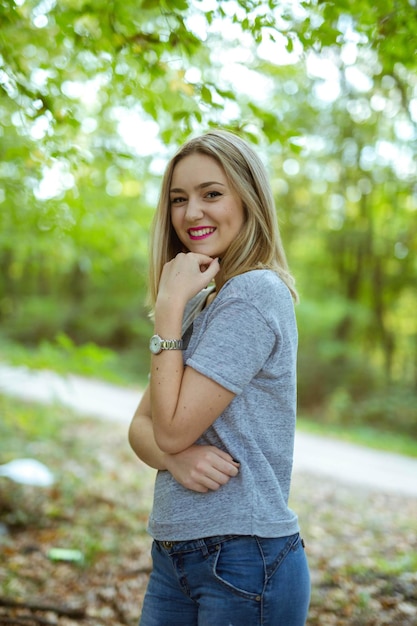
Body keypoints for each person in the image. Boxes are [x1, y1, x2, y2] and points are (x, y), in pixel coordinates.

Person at [128, 129, 310, 626]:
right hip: (175, 555)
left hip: (242, 559)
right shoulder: (204, 302)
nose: (191, 214)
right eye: (178, 199)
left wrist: (167, 305)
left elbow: (167, 426)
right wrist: (174, 458)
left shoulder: (252, 294)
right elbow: (141, 430)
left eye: (212, 194)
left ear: (249, 199)